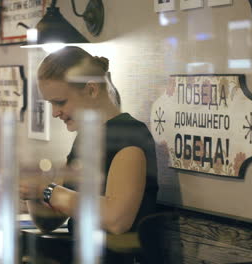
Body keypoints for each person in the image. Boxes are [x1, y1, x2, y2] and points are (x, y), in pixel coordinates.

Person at [19, 46, 158, 242]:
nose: (54, 113)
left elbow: (116, 219)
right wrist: (33, 192)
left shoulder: (130, 136)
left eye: (60, 102)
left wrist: (48, 191)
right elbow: (50, 221)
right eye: (51, 104)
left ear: (91, 89)